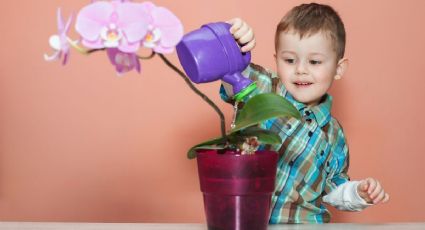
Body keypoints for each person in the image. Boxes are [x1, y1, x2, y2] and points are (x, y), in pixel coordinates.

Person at [220, 3, 389, 223]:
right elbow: (229, 71)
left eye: (315, 61)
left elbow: (333, 187)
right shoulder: (263, 88)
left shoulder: (333, 134)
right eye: (290, 60)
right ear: (276, 59)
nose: (301, 69)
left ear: (338, 69)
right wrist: (235, 39)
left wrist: (358, 192)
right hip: (244, 221)